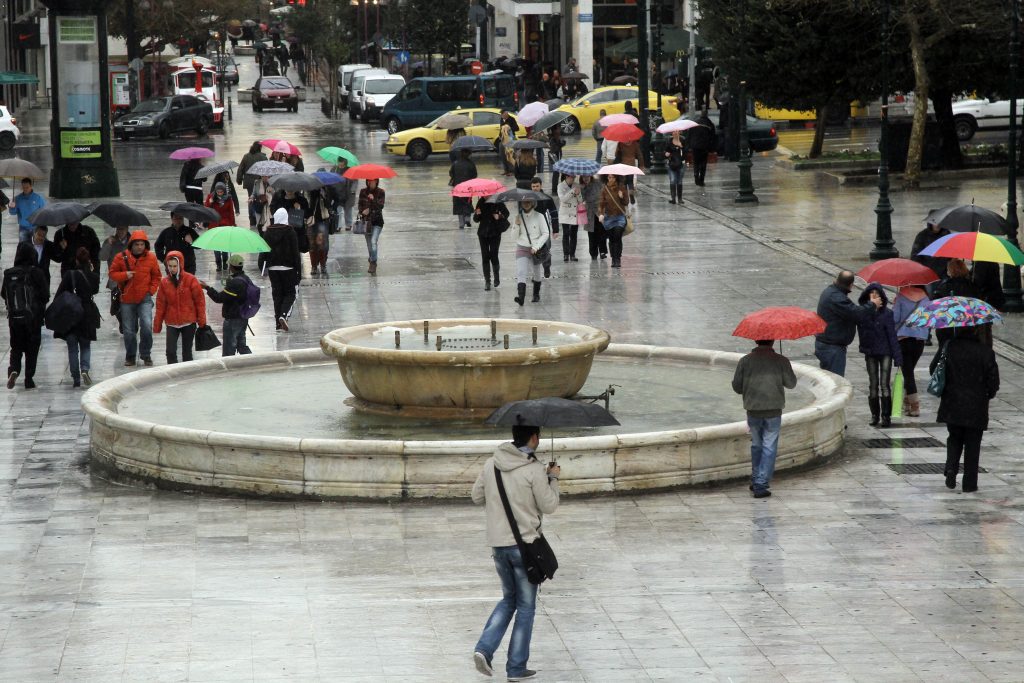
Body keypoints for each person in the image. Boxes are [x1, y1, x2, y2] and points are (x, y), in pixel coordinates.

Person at [471, 424, 560, 682]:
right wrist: (552, 478)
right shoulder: (533, 470)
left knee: (508, 599)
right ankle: (516, 667)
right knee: (526, 607)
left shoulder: (492, 464)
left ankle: (484, 649)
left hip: (498, 546)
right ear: (533, 438)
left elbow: (476, 497)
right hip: (525, 547)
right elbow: (549, 505)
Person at [931, 325, 999, 493]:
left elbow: (934, 369)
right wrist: (987, 394)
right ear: (976, 332)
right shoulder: (985, 352)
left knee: (954, 438)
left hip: (952, 402)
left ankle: (952, 468)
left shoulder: (949, 347)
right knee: (973, 445)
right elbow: (994, 382)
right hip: (976, 406)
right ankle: (970, 483)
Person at [731, 339, 797, 498]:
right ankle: (760, 482)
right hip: (773, 410)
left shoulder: (745, 361)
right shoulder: (781, 360)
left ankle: (755, 478)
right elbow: (791, 384)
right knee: (769, 445)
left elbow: (737, 387)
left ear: (756, 340)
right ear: (773, 341)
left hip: (753, 409)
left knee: (757, 444)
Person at [108, 230, 162, 367]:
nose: (139, 247)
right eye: (137, 244)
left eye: (142, 244)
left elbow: (157, 276)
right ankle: (130, 355)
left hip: (144, 298)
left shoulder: (151, 258)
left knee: (146, 325)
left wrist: (151, 290)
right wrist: (125, 275)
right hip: (127, 299)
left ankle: (146, 354)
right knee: (128, 330)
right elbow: (112, 274)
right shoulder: (121, 257)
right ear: (131, 244)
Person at [2, 242, 49, 390]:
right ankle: (29, 378)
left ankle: (14, 369)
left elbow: (4, 294)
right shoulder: (37, 272)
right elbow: (45, 295)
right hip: (33, 319)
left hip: (15, 318)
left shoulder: (10, 274)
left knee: (16, 347)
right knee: (32, 349)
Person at [814, 271, 879, 377]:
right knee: (836, 382)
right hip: (832, 348)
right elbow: (856, 314)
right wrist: (872, 305)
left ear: (836, 279)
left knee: (830, 380)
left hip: (828, 345)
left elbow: (851, 311)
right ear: (851, 285)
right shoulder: (837, 298)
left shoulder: (831, 292)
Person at [856, 283, 903, 427]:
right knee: (873, 384)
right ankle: (875, 415)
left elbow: (892, 336)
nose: (875, 296)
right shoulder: (863, 313)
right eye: (872, 294)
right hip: (870, 352)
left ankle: (886, 416)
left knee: (884, 384)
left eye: (877, 294)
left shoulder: (887, 314)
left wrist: (898, 357)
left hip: (885, 352)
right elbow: (862, 334)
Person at [53, 247, 100, 387]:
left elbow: (59, 293)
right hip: (87, 313)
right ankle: (85, 369)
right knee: (86, 345)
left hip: (71, 314)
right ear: (89, 260)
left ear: (76, 260)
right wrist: (90, 271)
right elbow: (95, 290)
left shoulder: (69, 275)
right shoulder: (94, 276)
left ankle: (75, 377)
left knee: (72, 347)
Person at [153, 250, 206, 364]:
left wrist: (202, 321)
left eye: (175, 266)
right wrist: (157, 324)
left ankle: (188, 378)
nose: (172, 268)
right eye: (170, 266)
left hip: (189, 322)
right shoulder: (164, 282)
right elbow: (160, 304)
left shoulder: (191, 279)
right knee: (170, 352)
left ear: (180, 265)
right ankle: (173, 374)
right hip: (172, 322)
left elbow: (199, 301)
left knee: (187, 353)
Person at [201, 254, 254, 356]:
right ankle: (252, 363)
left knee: (229, 350)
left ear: (231, 266)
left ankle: (229, 369)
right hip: (243, 318)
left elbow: (219, 298)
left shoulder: (235, 283)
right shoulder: (246, 278)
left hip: (233, 320)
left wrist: (207, 287)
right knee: (241, 345)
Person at [892, 286, 930, 418]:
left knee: (908, 373)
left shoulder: (901, 297)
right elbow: (928, 320)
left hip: (904, 339)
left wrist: (895, 304)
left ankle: (915, 406)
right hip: (919, 341)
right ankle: (907, 402)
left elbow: (895, 319)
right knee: (909, 371)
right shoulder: (926, 298)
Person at [264, 207, 301, 331]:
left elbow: (264, 250)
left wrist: (262, 266)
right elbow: (295, 252)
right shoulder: (290, 231)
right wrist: (298, 270)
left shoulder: (268, 231)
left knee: (277, 294)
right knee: (291, 293)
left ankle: (277, 323)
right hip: (288, 268)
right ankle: (283, 315)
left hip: (273, 268)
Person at [510, 198, 550, 306]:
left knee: (536, 273)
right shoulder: (518, 217)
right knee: (521, 272)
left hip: (535, 249)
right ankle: (521, 297)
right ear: (521, 203)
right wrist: (516, 225)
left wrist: (536, 247)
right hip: (522, 247)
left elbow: (546, 233)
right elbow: (513, 237)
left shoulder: (539, 216)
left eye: (528, 202)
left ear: (533, 203)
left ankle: (536, 294)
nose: (526, 204)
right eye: (524, 202)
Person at [474, 196, 509, 291]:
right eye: (484, 194)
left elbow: (507, 213)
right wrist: (477, 214)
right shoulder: (480, 202)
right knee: (485, 256)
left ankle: (496, 278)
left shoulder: (498, 201)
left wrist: (499, 216)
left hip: (495, 232)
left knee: (494, 255)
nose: (486, 196)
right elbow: (476, 219)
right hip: (483, 233)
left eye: (488, 194)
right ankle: (487, 281)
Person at [909, 220, 950, 294]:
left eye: (939, 223)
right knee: (930, 296)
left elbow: (951, 253)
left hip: (943, 274)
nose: (937, 225)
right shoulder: (922, 235)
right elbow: (915, 256)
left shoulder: (946, 234)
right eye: (935, 223)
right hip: (928, 275)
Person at [597, 174, 629, 268]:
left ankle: (617, 258)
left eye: (612, 177)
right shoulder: (605, 189)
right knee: (611, 239)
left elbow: (626, 202)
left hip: (620, 217)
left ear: (616, 178)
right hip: (608, 218)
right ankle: (613, 259)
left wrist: (622, 196)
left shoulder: (622, 187)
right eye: (608, 177)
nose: (610, 179)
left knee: (617, 236)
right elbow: (601, 204)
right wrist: (601, 214)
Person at [205, 182, 236, 271]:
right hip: (214, 224)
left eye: (221, 192)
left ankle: (225, 262)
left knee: (225, 245)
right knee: (216, 246)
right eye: (218, 192)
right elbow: (206, 210)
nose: (219, 193)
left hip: (226, 225)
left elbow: (231, 213)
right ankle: (218, 263)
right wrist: (210, 203)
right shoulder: (210, 197)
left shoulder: (228, 199)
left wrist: (233, 224)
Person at [359, 179, 386, 275]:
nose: (371, 183)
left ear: (377, 181)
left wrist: (373, 199)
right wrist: (362, 211)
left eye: (374, 181)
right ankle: (371, 259)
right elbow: (360, 205)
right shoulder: (363, 191)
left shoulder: (381, 192)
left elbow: (381, 206)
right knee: (369, 245)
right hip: (367, 222)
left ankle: (373, 262)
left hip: (377, 222)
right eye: (369, 181)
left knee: (373, 242)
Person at [237, 141, 268, 227]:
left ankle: (252, 219)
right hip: (259, 181)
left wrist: (239, 180)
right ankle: (261, 216)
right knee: (261, 198)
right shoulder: (263, 157)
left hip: (249, 182)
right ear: (260, 148)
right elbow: (267, 170)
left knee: (251, 198)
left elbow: (240, 169)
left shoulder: (246, 156)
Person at [9, 178, 45, 243]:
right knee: (23, 248)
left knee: (37, 247)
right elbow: (12, 213)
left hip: (36, 227)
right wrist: (12, 207)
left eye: (27, 187)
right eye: (23, 187)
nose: (25, 189)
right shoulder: (17, 198)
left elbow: (44, 211)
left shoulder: (38, 198)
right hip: (23, 227)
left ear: (31, 186)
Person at [449, 150, 478, 229]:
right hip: (468, 187)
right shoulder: (471, 163)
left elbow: (451, 173)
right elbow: (475, 175)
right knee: (467, 202)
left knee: (458, 204)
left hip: (457, 187)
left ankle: (461, 222)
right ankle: (467, 218)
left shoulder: (455, 163)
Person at [580, 174, 607, 260]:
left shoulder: (598, 182)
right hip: (589, 212)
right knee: (591, 234)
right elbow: (581, 198)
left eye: (587, 176)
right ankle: (593, 253)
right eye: (584, 177)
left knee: (602, 232)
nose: (586, 178)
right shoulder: (581, 186)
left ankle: (603, 251)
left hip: (599, 210)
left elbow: (604, 192)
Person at [557, 173, 582, 262]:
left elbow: (580, 200)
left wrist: (578, 194)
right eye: (572, 177)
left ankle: (572, 254)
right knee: (566, 233)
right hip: (565, 213)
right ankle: (566, 254)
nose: (573, 178)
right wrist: (572, 191)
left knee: (574, 234)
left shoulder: (576, 185)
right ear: (567, 176)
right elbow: (563, 199)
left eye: (574, 177)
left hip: (575, 213)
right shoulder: (560, 186)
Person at [688, 109, 716, 187]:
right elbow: (713, 137)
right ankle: (701, 179)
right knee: (703, 163)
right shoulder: (709, 124)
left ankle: (696, 176)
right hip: (704, 146)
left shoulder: (695, 123)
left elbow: (690, 134)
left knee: (696, 162)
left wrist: (690, 145)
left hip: (695, 146)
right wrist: (712, 148)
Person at [307, 188, 331, 276]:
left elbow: (329, 205)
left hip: (322, 221)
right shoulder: (308, 191)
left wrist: (323, 197)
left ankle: (323, 265)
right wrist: (314, 196)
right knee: (312, 245)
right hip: (311, 221)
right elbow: (308, 207)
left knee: (322, 245)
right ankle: (314, 266)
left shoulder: (325, 191)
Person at [29, 225, 60, 292]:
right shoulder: (25, 245)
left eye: (43, 236)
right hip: (29, 280)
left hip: (43, 280)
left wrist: (62, 249)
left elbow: (58, 259)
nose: (41, 238)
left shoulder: (49, 245)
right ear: (34, 233)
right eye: (39, 235)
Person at [330, 160, 358, 232]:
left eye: (342, 165)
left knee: (348, 209)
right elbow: (330, 178)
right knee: (338, 209)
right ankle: (338, 226)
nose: (341, 166)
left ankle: (348, 224)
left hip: (348, 193)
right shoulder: (334, 169)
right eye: (340, 164)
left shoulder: (350, 170)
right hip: (338, 193)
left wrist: (353, 190)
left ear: (345, 164)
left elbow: (355, 181)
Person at [614, 137, 644, 203]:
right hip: (631, 165)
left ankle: (625, 198)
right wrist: (641, 165)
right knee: (630, 181)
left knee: (623, 182)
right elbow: (639, 155)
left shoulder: (620, 143)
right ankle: (631, 193)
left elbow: (616, 154)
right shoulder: (635, 143)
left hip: (623, 165)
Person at [665, 130, 685, 204]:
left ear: (679, 132)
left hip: (681, 164)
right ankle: (673, 198)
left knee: (679, 181)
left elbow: (686, 151)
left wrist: (681, 146)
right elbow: (666, 151)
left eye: (677, 131)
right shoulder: (669, 141)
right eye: (674, 131)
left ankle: (680, 199)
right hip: (671, 164)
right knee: (673, 180)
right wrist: (666, 154)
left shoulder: (683, 140)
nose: (675, 133)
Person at [546, 126, 565, 194]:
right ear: (555, 131)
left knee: (558, 174)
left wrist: (561, 143)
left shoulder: (557, 138)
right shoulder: (552, 139)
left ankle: (558, 189)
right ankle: (554, 190)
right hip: (555, 159)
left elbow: (562, 143)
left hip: (558, 158)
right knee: (556, 174)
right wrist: (559, 144)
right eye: (558, 129)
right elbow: (554, 149)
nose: (560, 130)